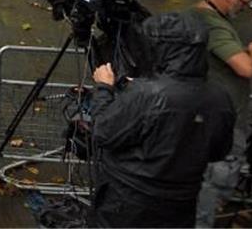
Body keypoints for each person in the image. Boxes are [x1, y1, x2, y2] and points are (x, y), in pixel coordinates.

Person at [90, 12, 235, 228]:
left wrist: (103, 88)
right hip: (180, 206)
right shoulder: (220, 97)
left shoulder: (146, 94)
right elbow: (218, 151)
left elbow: (104, 132)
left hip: (126, 203)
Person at [192, 0, 252, 227]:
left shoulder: (204, 17)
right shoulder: (212, 23)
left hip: (212, 120)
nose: (244, 10)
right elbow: (245, 68)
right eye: (244, 3)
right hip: (221, 126)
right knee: (211, 189)